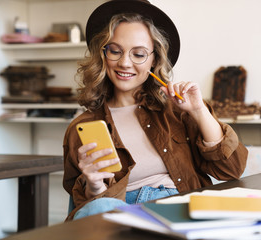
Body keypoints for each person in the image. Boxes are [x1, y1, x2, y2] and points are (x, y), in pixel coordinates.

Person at [63, 0, 248, 221]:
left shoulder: (178, 110)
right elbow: (86, 209)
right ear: (103, 55)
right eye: (115, 51)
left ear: (154, 60)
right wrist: (93, 187)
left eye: (138, 54)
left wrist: (198, 111)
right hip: (121, 214)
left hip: (180, 207)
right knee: (99, 207)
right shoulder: (81, 128)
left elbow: (232, 170)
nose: (125, 63)